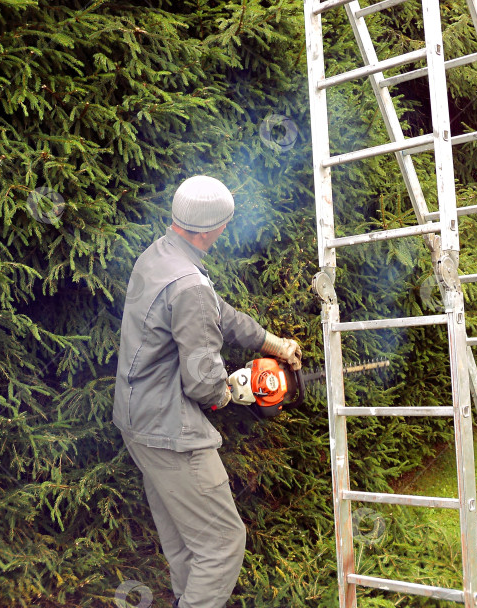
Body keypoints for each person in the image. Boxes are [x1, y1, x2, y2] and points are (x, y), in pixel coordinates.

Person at [113, 175, 301, 608]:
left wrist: (272, 345)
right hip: (171, 431)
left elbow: (219, 313)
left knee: (184, 541)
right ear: (209, 228)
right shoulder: (190, 284)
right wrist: (232, 391)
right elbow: (203, 385)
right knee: (221, 545)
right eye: (224, 224)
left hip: (136, 419)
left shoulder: (158, 256)